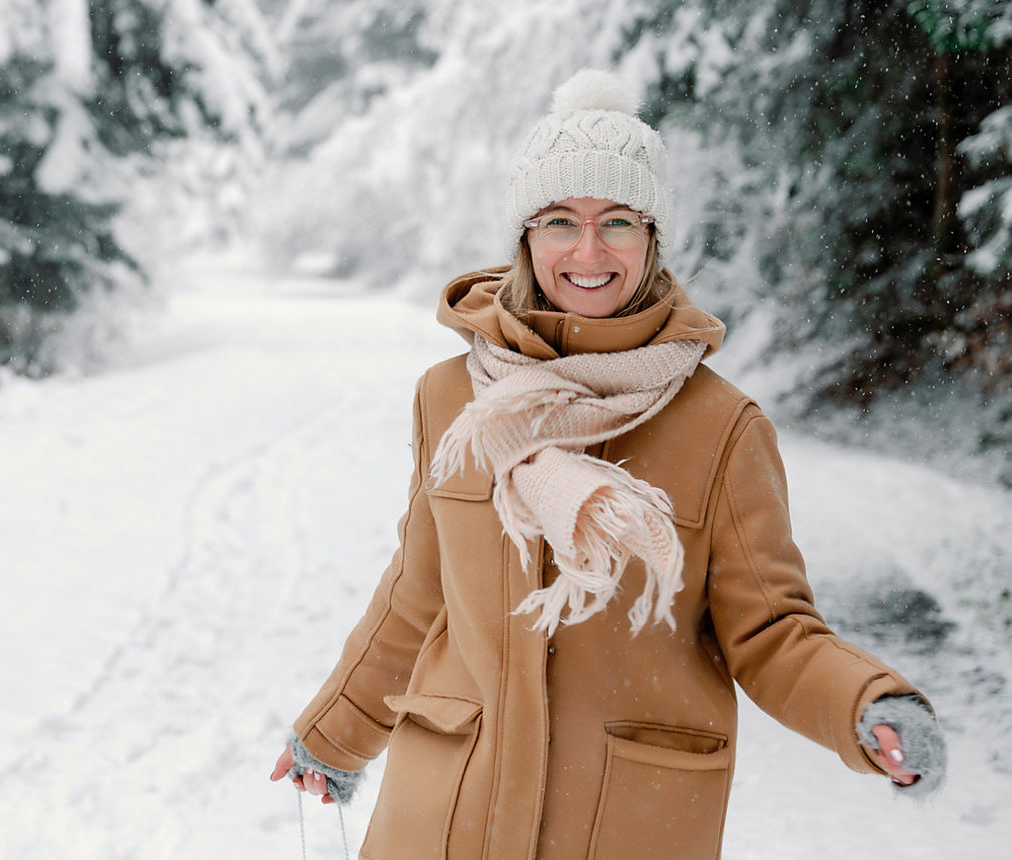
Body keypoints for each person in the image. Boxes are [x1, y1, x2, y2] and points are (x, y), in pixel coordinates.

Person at [269, 68, 946, 860]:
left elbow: (772, 631)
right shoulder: (452, 397)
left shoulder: (720, 426)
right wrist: (336, 733)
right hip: (448, 816)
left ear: (653, 237)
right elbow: (420, 592)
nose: (588, 250)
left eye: (618, 220)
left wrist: (869, 704)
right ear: (525, 235)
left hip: (624, 821)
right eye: (560, 219)